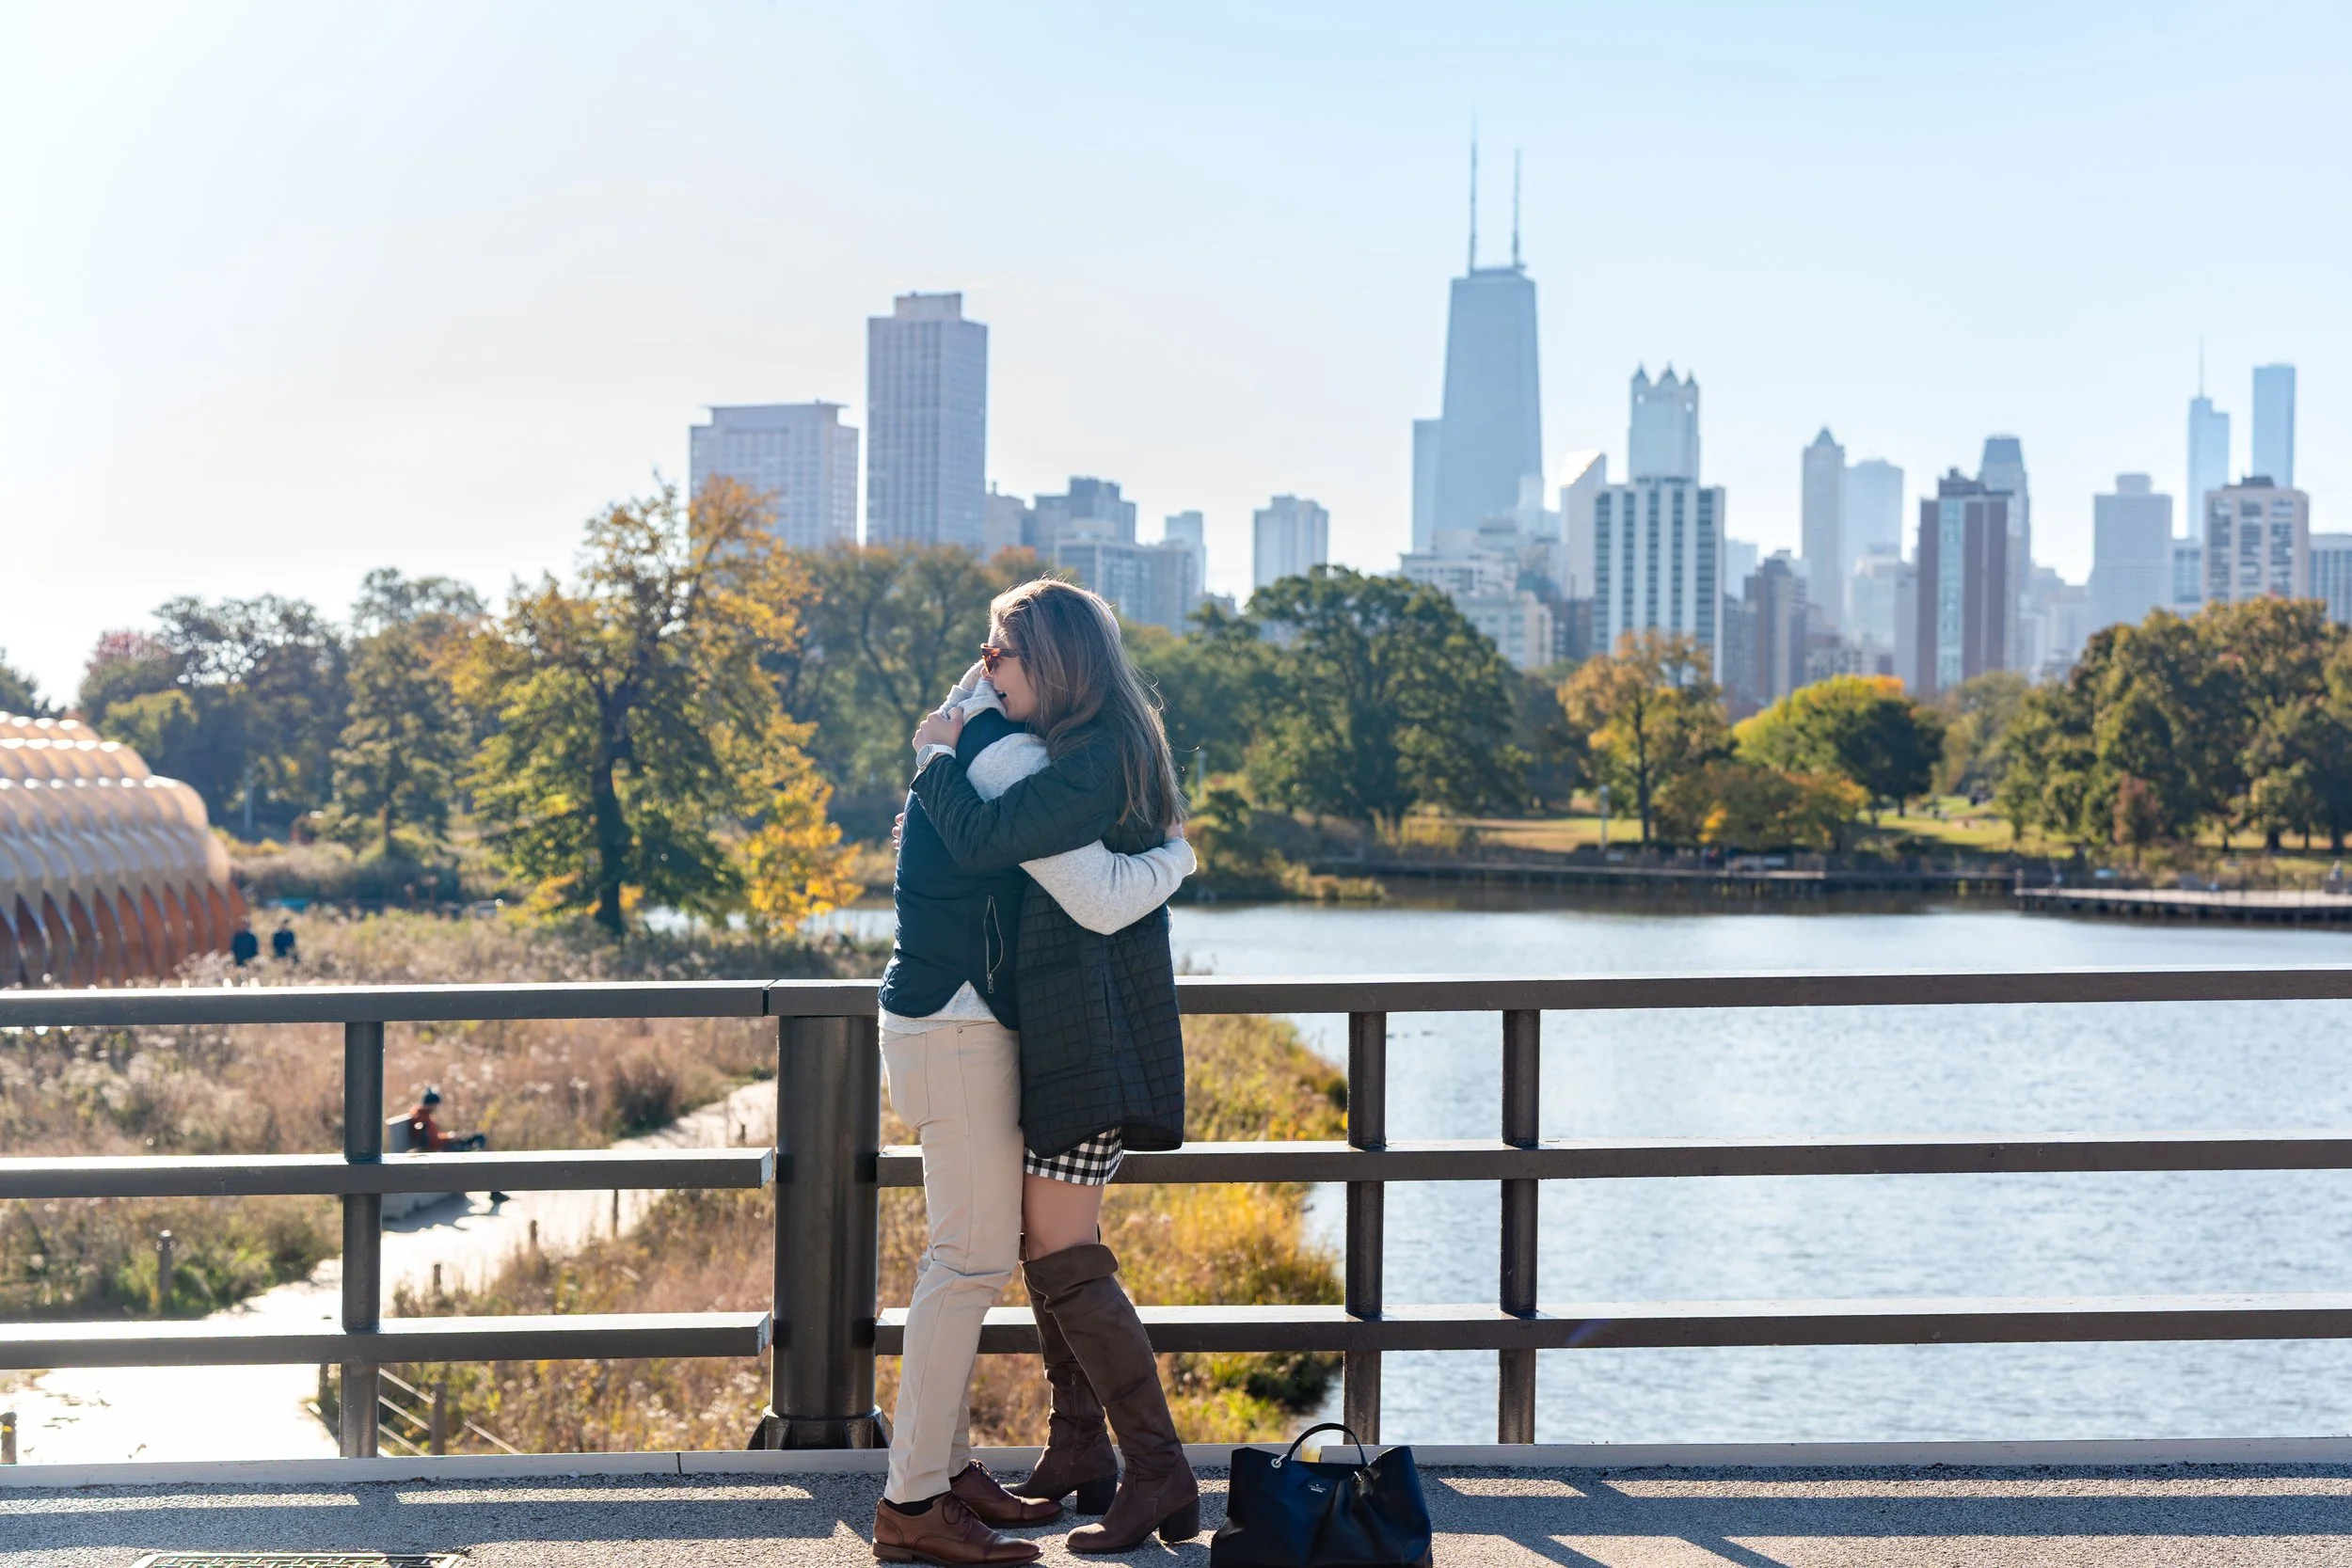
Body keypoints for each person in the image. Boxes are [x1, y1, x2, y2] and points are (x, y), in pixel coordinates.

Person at [871, 600, 1196, 1566]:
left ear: (1049, 661)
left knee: (980, 1253)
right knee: (968, 1260)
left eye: (1001, 649)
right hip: (954, 1018)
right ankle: (914, 1498)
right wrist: (1179, 851)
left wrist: (940, 743)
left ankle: (953, 1467)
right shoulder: (994, 745)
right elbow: (1094, 891)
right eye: (986, 650)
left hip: (971, 1018)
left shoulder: (989, 734)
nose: (983, 661)